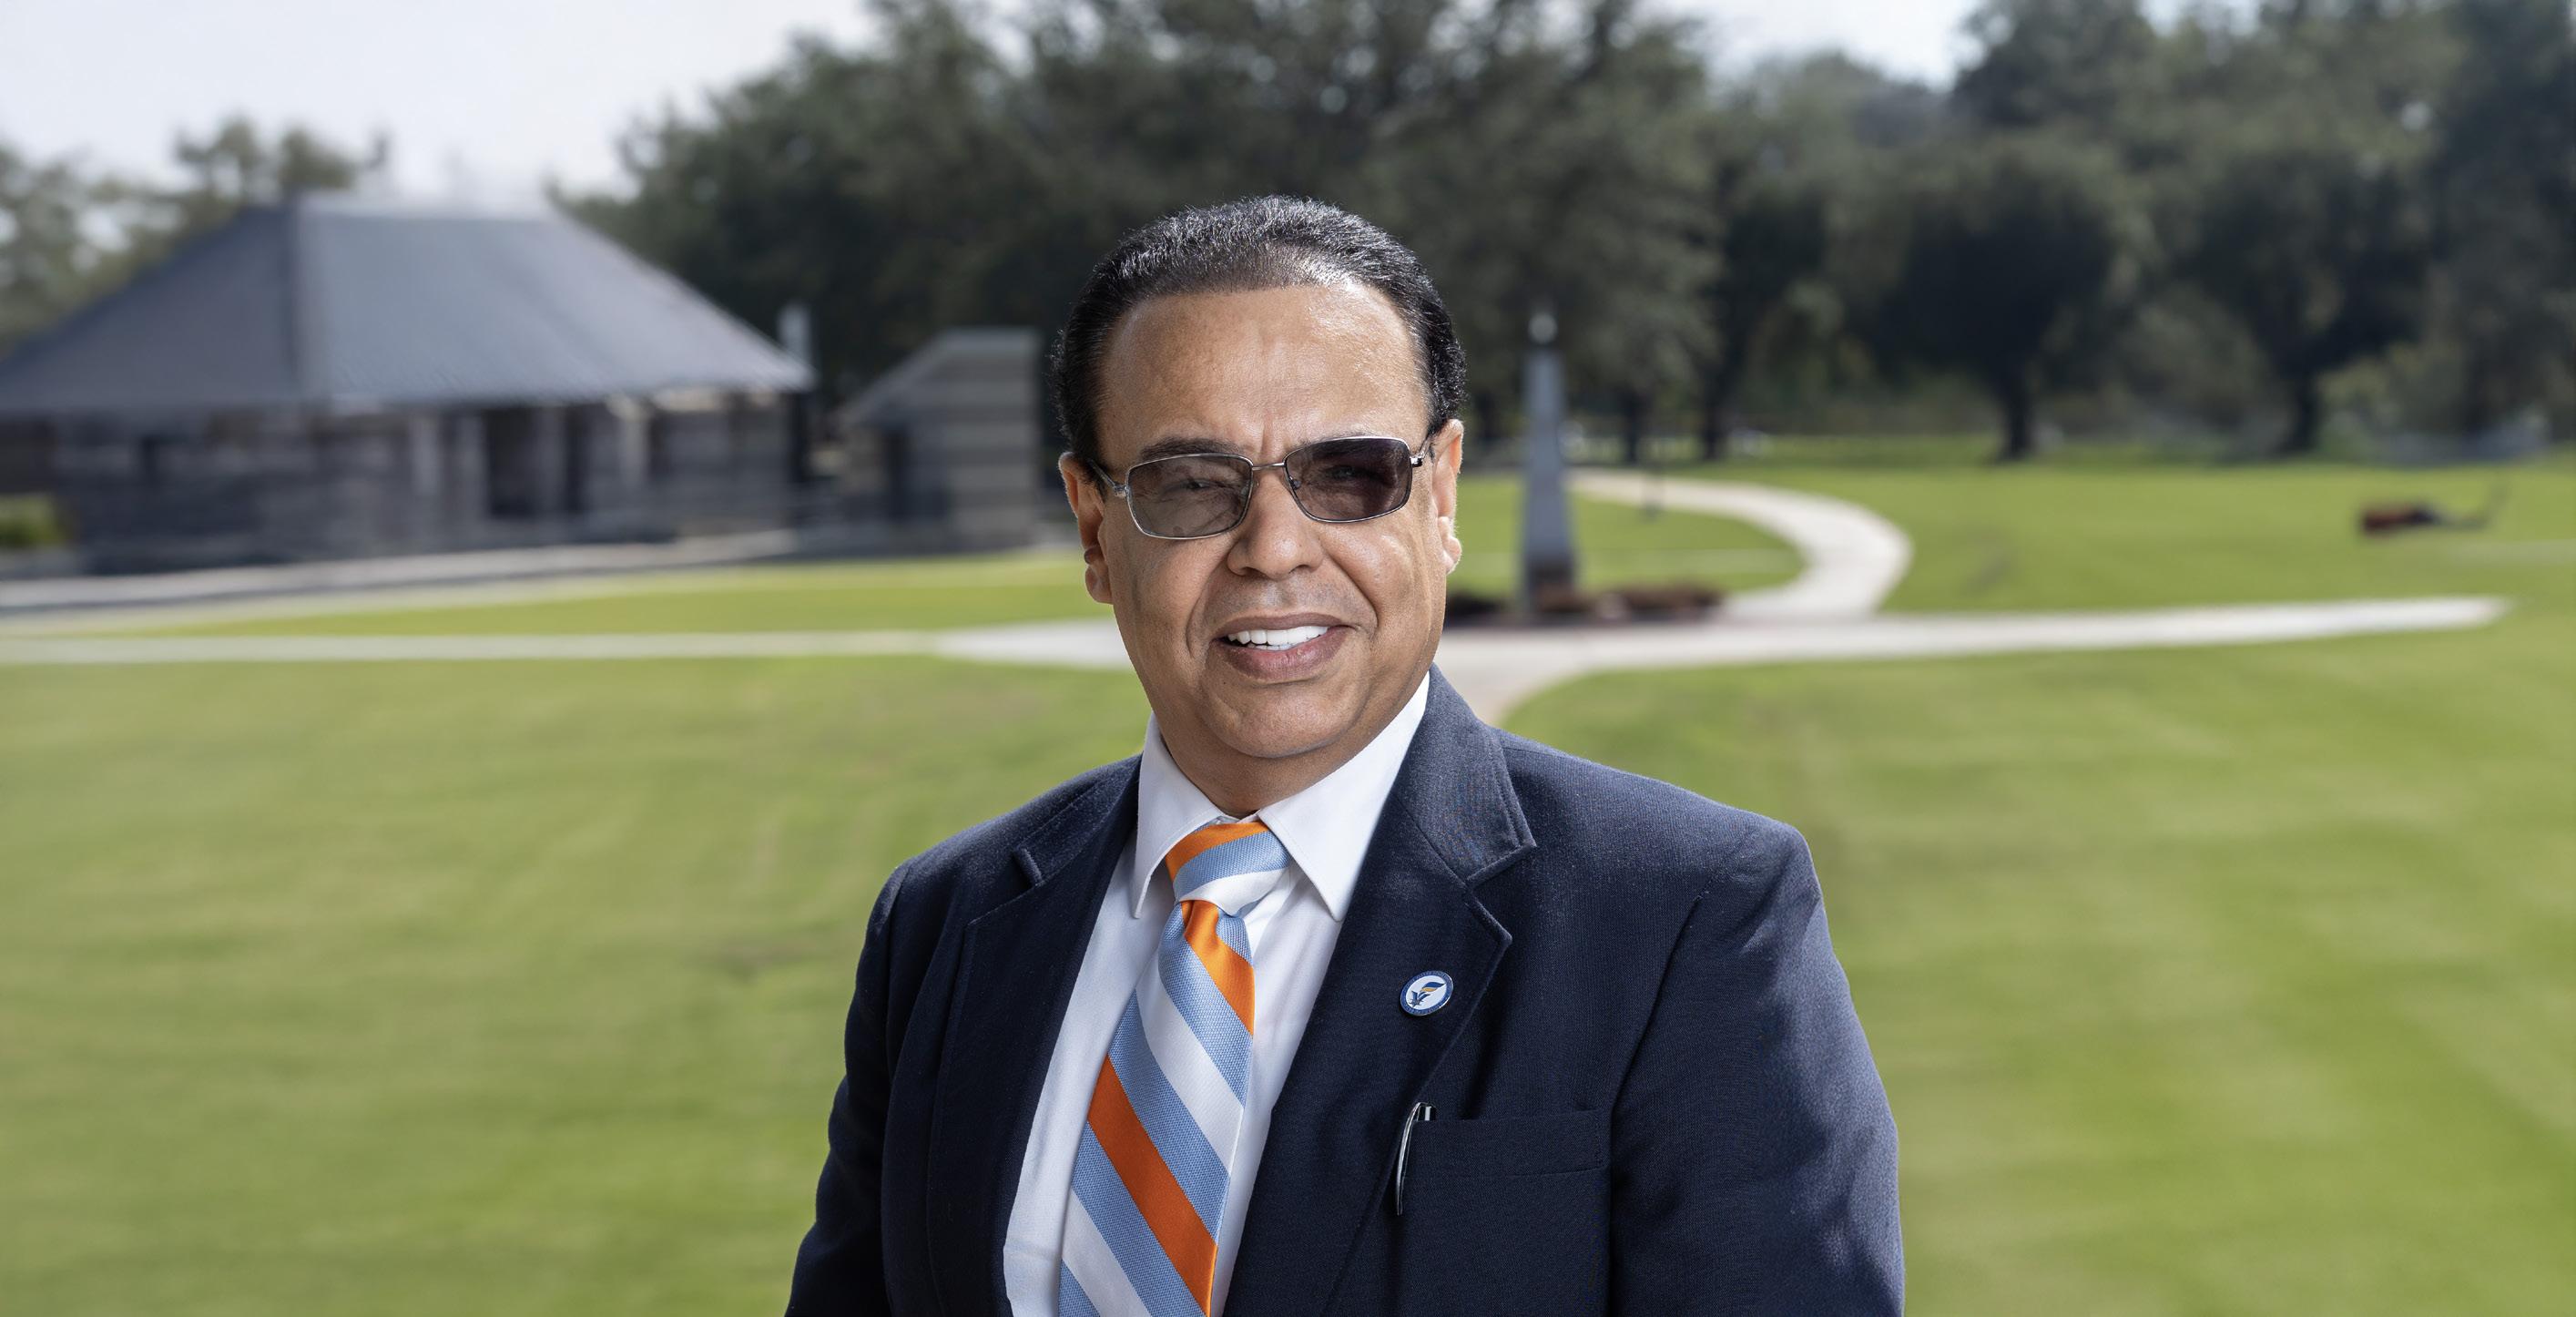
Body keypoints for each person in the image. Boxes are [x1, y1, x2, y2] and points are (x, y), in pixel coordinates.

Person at [784, 196, 1901, 1316]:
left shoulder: (1686, 920)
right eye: (1193, 485)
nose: (1274, 550)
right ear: (1093, 527)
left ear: (1441, 494)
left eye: (1351, 474)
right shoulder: (944, 925)